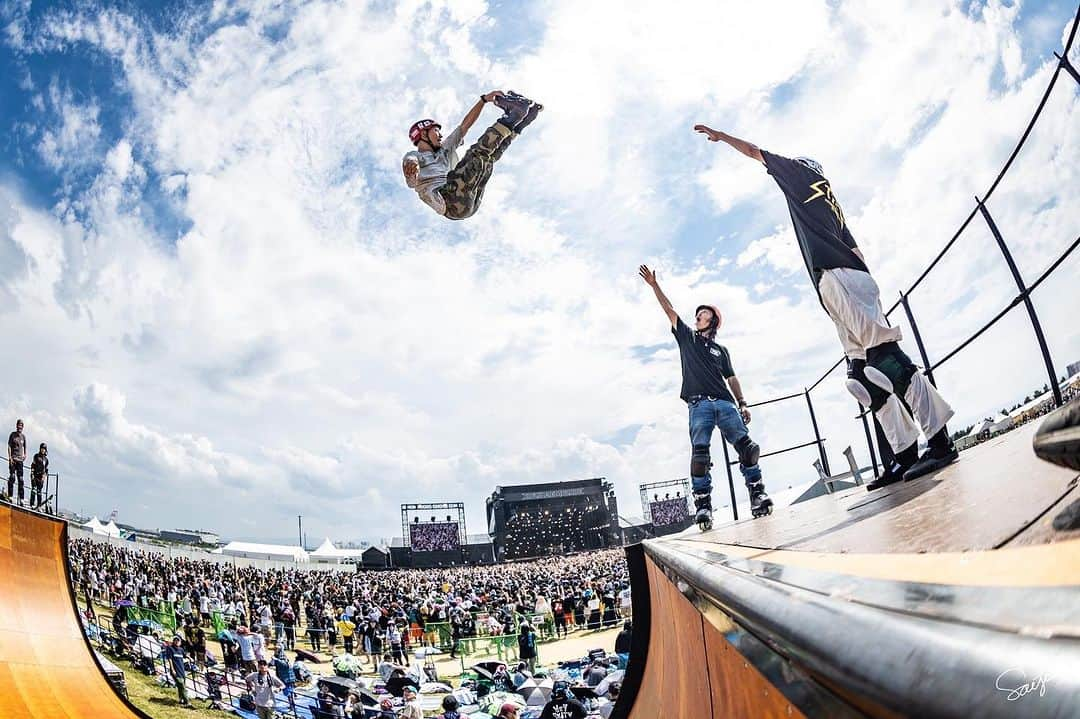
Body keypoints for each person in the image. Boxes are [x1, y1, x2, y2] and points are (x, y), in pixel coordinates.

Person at [694, 125, 958, 486]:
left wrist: (721, 137)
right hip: (840, 280)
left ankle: (940, 441)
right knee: (862, 378)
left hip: (841, 276)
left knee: (885, 359)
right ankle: (904, 454)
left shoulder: (800, 174)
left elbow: (756, 152)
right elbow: (855, 247)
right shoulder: (828, 198)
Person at [639, 265, 772, 524]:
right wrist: (655, 285)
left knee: (747, 449)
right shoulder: (688, 338)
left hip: (725, 403)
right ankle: (703, 506)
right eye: (697, 314)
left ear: (713, 321)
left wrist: (743, 403)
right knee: (700, 456)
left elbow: (731, 377)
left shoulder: (721, 350)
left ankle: (757, 494)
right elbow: (669, 311)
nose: (698, 316)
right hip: (698, 404)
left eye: (703, 314)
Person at [402, 90, 542, 220]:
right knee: (476, 154)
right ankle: (513, 116)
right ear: (423, 134)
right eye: (435, 131)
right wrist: (411, 169)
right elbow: (411, 175)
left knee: (487, 159)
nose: (440, 135)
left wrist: (483, 100)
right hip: (448, 199)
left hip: (469, 201)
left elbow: (464, 126)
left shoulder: (445, 148)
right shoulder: (415, 155)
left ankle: (519, 124)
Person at [163, 635, 192, 708]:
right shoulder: (170, 648)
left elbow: (185, 655)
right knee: (182, 685)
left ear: (180, 642)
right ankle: (187, 702)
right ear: (173, 641)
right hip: (175, 671)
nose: (177, 642)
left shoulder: (181, 649)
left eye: (178, 640)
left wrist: (190, 658)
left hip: (182, 671)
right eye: (175, 640)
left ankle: (181, 699)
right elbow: (169, 659)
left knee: (181, 686)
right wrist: (172, 669)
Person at [7, 419, 26, 504]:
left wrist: (25, 455)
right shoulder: (12, 435)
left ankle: (21, 499)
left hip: (20, 461)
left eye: (21, 425)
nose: (20, 427)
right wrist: (10, 457)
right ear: (16, 425)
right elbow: (9, 446)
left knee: (21, 480)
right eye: (19, 425)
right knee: (12, 477)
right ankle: (10, 496)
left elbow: (25, 447)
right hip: (13, 459)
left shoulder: (23, 437)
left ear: (22, 427)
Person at [29, 442, 47, 509]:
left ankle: (39, 506)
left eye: (44, 449)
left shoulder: (46, 460)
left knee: (39, 492)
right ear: (40, 449)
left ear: (45, 450)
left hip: (41, 477)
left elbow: (46, 471)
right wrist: (32, 475)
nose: (43, 450)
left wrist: (43, 479)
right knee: (33, 489)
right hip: (34, 475)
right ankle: (32, 504)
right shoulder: (36, 456)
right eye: (42, 448)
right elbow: (33, 465)